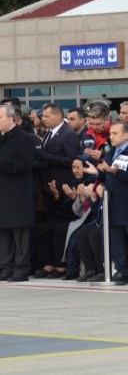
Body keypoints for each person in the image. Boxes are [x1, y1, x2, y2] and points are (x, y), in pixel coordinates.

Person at [85, 122, 128, 286]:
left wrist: (117, 172)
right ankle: (122, 270)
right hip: (112, 202)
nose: (111, 136)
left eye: (115, 134)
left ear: (127, 135)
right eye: (111, 134)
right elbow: (108, 175)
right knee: (115, 238)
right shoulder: (111, 152)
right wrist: (98, 173)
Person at [0, 105, 37, 282]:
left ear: (11, 119)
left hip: (18, 194)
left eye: (0, 117)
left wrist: (3, 164)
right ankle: (6, 267)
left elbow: (25, 165)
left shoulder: (25, 139)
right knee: (4, 233)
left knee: (19, 233)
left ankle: (21, 269)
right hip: (3, 193)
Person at [40, 103, 81, 220]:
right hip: (48, 184)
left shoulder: (69, 134)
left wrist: (46, 156)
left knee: (60, 220)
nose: (43, 119)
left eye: (47, 116)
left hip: (62, 186)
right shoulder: (48, 132)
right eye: (43, 116)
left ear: (58, 115)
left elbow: (72, 160)